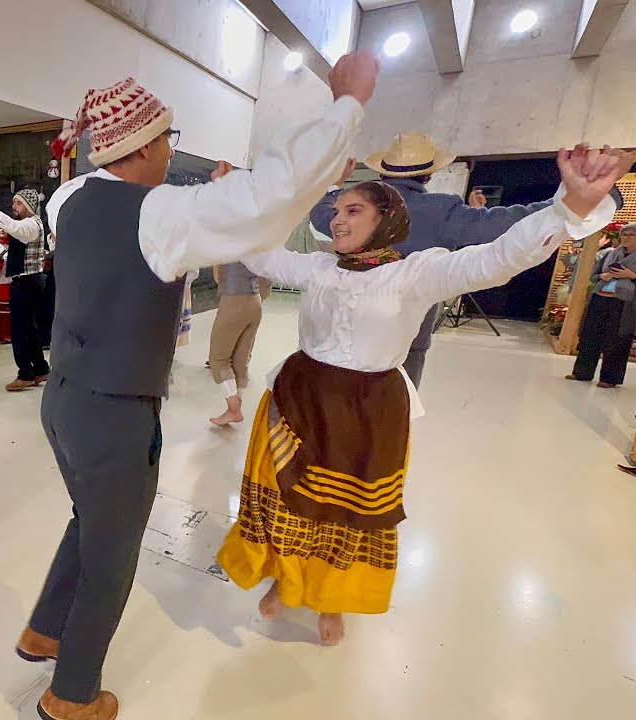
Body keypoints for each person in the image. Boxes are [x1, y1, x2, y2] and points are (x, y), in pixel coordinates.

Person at [22, 52, 379, 720]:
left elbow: (249, 204)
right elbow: (270, 195)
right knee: (113, 552)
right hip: (114, 411)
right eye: (167, 138)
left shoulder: (68, 200)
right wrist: (347, 105)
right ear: (147, 144)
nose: (168, 151)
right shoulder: (159, 214)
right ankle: (70, 694)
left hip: (63, 400)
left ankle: (44, 627)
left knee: (88, 521)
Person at [215, 146, 625, 649]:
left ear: (387, 218)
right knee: (287, 499)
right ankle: (286, 576)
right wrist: (228, 199)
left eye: (352, 210)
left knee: (350, 512)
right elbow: (257, 253)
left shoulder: (417, 272)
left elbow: (498, 259)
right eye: (337, 210)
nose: (336, 220)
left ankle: (334, 597)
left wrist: (570, 210)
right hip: (299, 400)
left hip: (369, 411)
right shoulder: (320, 268)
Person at [307, 132, 623, 388]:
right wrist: (580, 201)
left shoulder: (352, 210)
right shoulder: (442, 210)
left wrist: (332, 185)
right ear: (429, 173)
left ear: (380, 172)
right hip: (411, 321)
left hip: (345, 320)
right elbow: (510, 223)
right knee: (400, 387)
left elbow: (320, 216)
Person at [0, 190, 50, 391]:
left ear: (28, 206)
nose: (14, 207)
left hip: (27, 282)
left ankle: (26, 373)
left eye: (18, 203)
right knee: (29, 328)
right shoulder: (30, 224)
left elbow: (15, 227)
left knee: (20, 331)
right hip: (28, 281)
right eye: (13, 202)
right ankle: (40, 368)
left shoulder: (30, 224)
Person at [568, 221, 636, 387]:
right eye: (624, 234)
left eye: (631, 234)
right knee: (590, 335)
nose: (626, 238)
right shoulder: (609, 254)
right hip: (600, 297)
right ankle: (582, 373)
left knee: (617, 339)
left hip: (624, 303)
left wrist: (631, 275)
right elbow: (594, 276)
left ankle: (609, 379)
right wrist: (603, 276)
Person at [207, 262, 269, 426]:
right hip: (256, 301)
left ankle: (233, 409)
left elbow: (217, 276)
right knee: (240, 360)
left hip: (233, 301)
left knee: (218, 359)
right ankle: (235, 409)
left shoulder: (228, 240)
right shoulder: (258, 240)